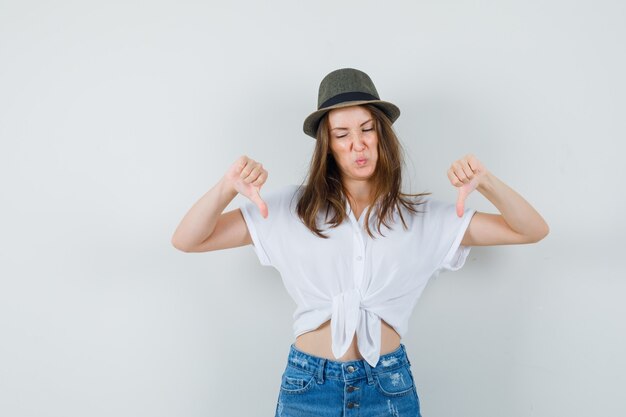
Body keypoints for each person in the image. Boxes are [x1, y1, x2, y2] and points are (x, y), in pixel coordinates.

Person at [171, 68, 549, 417]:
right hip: (308, 389)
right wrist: (226, 189)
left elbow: (531, 230)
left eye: (367, 129)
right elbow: (188, 240)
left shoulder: (420, 218)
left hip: (387, 388)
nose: (358, 144)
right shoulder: (290, 209)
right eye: (342, 135)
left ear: (382, 135)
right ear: (328, 146)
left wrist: (486, 182)